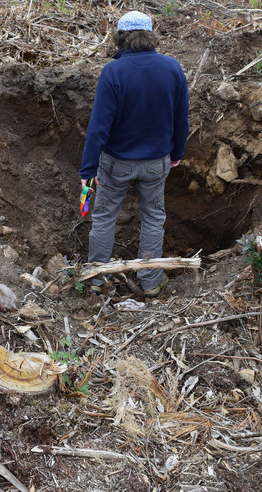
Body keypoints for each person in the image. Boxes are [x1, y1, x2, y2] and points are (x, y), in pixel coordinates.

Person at [79, 10, 189, 298]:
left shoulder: (113, 72)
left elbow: (98, 127)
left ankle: (98, 277)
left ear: (121, 38)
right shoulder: (172, 68)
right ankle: (151, 280)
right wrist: (177, 152)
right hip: (156, 163)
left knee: (104, 217)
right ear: (150, 36)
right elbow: (181, 118)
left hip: (116, 163)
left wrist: (88, 171)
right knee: (153, 217)